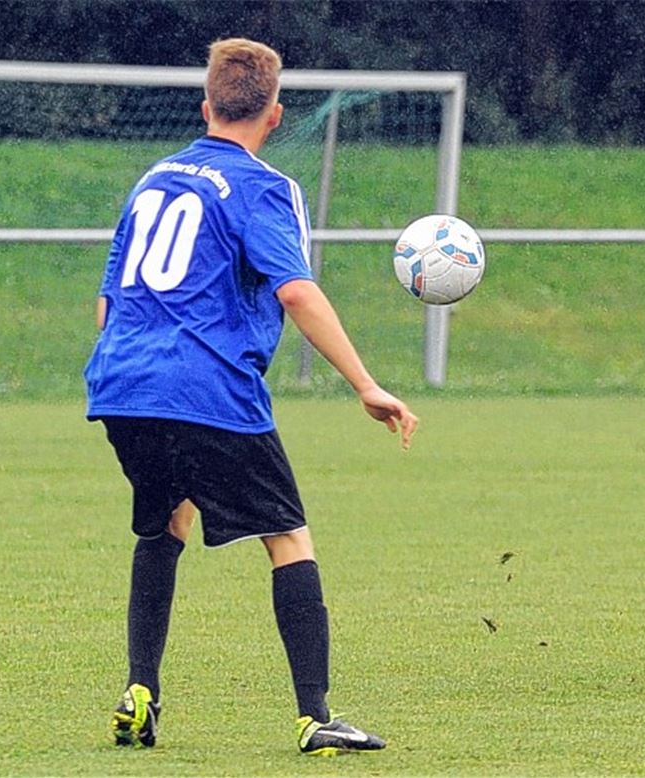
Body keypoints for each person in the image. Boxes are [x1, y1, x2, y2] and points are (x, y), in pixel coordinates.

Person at [85, 38, 418, 756]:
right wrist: (365, 384)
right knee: (288, 537)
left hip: (120, 383)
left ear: (206, 105)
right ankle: (315, 716)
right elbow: (295, 291)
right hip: (206, 387)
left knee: (165, 522)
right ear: (275, 114)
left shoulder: (154, 179)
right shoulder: (267, 187)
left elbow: (108, 303)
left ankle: (140, 690)